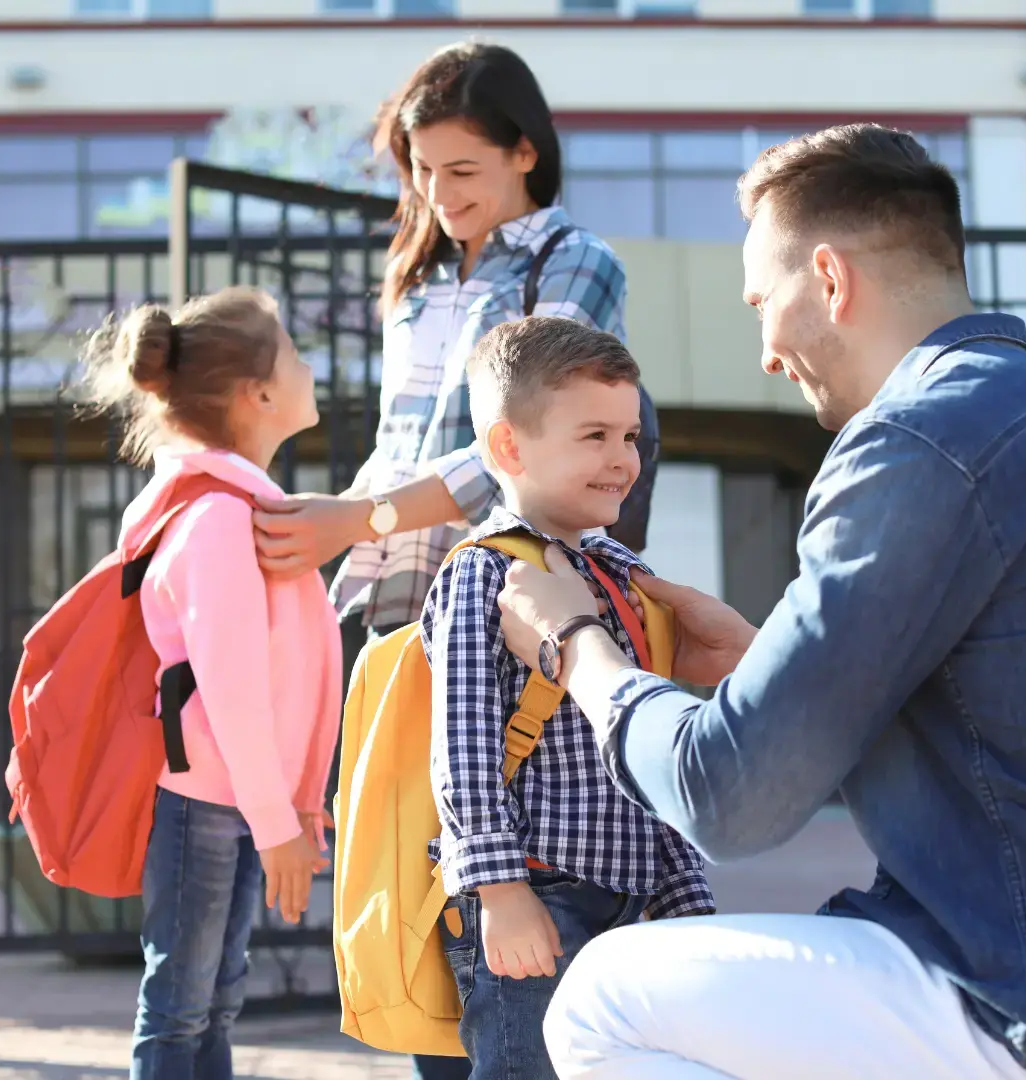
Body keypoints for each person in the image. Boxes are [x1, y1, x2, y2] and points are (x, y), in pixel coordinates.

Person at [493, 124, 1026, 1080]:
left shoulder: (914, 437)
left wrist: (578, 644)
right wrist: (775, 657)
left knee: (605, 999)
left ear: (831, 280)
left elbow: (728, 799)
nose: (766, 351)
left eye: (763, 302)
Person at [248, 41, 629, 1080]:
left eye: (461, 169)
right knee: (417, 871)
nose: (435, 192)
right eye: (420, 170)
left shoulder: (571, 263)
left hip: (509, 599)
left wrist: (358, 519)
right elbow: (400, 434)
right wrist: (331, 541)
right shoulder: (415, 276)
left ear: (523, 154)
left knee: (507, 863)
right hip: (395, 601)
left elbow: (514, 446)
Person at [423, 316, 714, 1078]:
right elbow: (462, 747)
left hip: (629, 895)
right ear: (508, 446)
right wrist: (500, 889)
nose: (623, 461)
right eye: (594, 436)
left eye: (630, 438)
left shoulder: (624, 576)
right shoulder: (480, 573)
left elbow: (645, 735)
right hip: (535, 891)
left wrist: (680, 884)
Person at [79, 287, 344, 1080]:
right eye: (294, 351)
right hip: (205, 802)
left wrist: (293, 806)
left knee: (212, 1000)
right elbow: (228, 688)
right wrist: (276, 823)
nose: (308, 364)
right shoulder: (220, 520)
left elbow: (280, 677)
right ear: (257, 394)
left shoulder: (236, 508)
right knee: (181, 1007)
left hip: (233, 799)